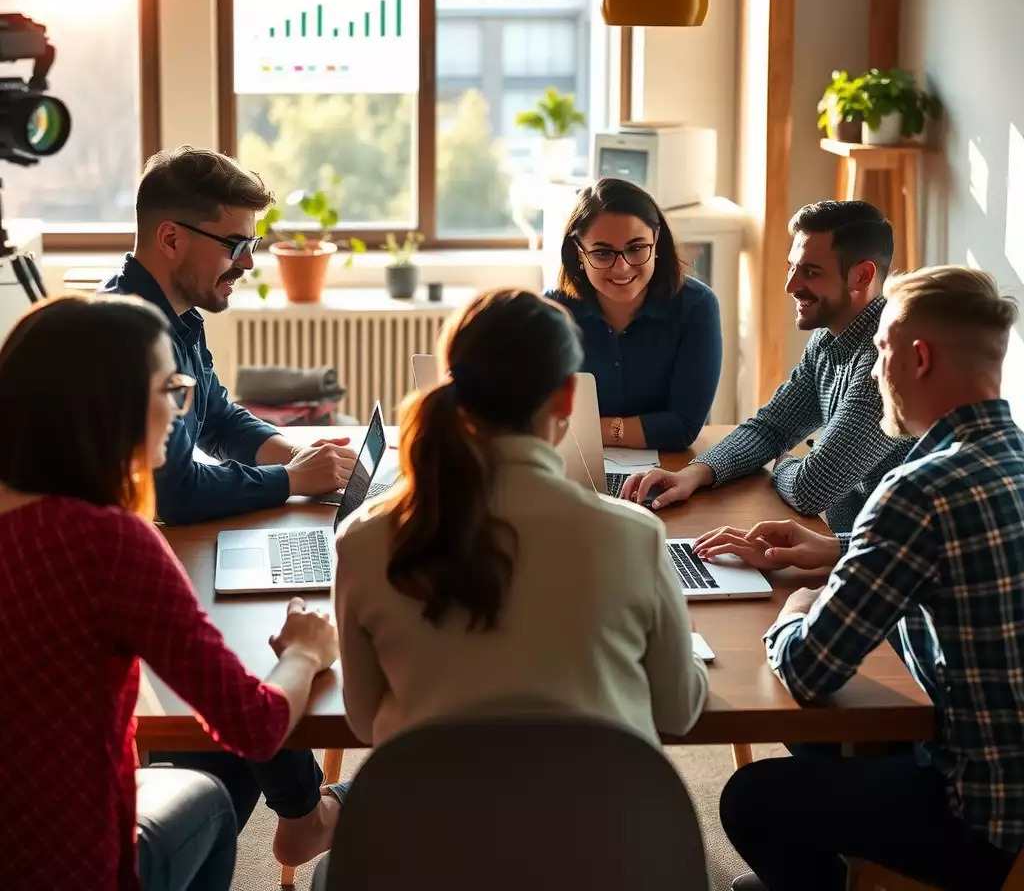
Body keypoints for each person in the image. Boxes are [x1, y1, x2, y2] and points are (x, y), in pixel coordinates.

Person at [0, 295, 339, 891]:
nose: (180, 413)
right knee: (210, 792)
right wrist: (306, 653)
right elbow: (254, 726)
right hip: (67, 864)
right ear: (113, 408)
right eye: (170, 391)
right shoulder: (106, 542)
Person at [719, 266, 1024, 891]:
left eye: (879, 350)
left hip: (978, 818)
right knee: (834, 741)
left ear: (916, 357)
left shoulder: (917, 490)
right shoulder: (1008, 457)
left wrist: (793, 610)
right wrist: (836, 549)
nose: (874, 371)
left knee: (753, 797)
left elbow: (809, 669)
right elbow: (955, 554)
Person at [335, 288, 709, 749]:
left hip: (430, 818)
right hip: (599, 819)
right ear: (569, 397)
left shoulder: (362, 541)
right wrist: (684, 644)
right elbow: (678, 712)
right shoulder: (634, 537)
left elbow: (360, 718)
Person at [623, 199, 913, 535]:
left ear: (862, 276)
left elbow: (809, 489)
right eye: (792, 267)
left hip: (885, 566)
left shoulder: (887, 357)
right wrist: (693, 474)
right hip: (846, 550)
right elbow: (770, 428)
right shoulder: (827, 338)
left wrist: (781, 463)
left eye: (810, 272)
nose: (790, 286)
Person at [103, 145, 357, 527]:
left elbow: (217, 420)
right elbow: (175, 492)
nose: (248, 263)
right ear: (171, 240)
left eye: (251, 246)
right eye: (236, 246)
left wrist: (294, 456)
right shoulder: (126, 337)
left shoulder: (178, 314)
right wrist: (293, 479)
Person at [546, 177, 721, 451]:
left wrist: (587, 428)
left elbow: (682, 428)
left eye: (636, 248)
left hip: (667, 470)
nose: (622, 268)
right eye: (603, 253)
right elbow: (539, 416)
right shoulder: (553, 311)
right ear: (579, 253)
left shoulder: (697, 307)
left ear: (656, 239)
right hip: (574, 463)